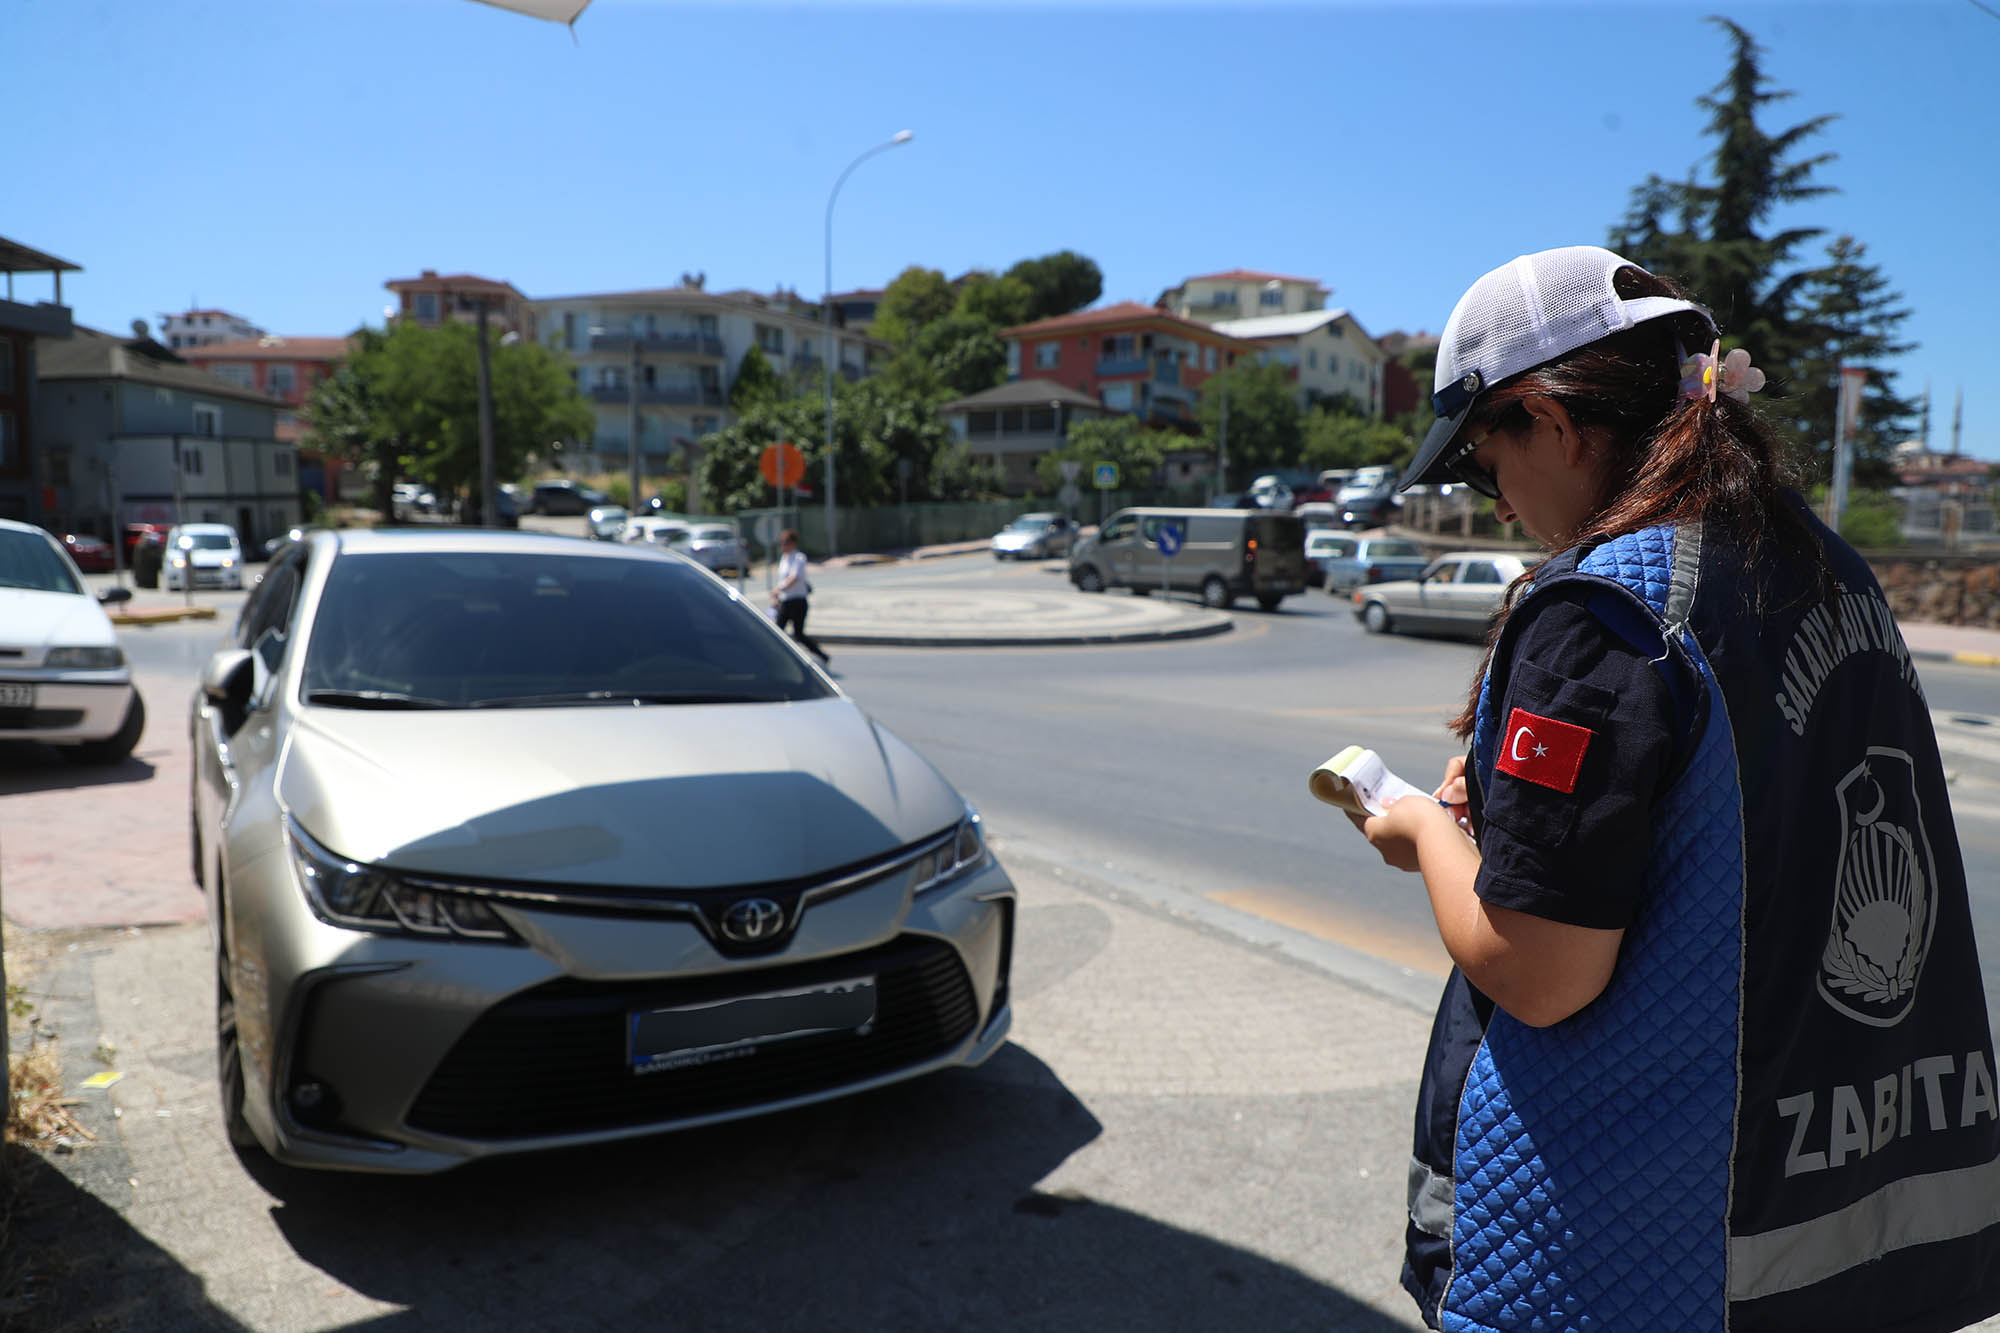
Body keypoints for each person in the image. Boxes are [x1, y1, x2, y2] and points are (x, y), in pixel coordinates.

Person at [1350, 245, 2000, 1332]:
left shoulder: (1602, 612)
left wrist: (1421, 829)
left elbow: (1539, 971)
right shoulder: (1820, 562)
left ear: (1550, 424)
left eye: (1477, 462)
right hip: (1842, 1217)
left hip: (1638, 1250)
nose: (1495, 505)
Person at [769, 528, 829, 667]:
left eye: (785, 543)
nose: (782, 546)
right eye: (781, 543)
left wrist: (779, 589)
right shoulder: (784, 559)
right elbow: (782, 579)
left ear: (793, 544)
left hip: (798, 601)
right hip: (786, 601)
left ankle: (822, 655)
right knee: (778, 632)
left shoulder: (799, 558)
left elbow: (794, 577)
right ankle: (781, 660)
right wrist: (777, 597)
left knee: (798, 634)